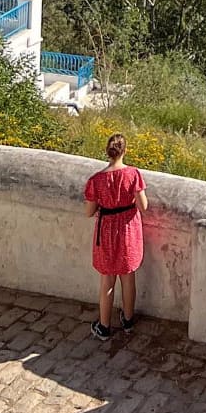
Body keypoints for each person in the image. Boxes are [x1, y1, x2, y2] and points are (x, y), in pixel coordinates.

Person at [84, 133, 148, 341]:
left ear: (107, 151)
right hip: (128, 230)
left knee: (107, 280)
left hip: (106, 232)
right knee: (128, 278)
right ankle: (128, 320)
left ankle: (104, 326)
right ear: (125, 151)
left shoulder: (96, 180)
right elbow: (143, 206)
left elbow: (89, 211)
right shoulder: (133, 175)